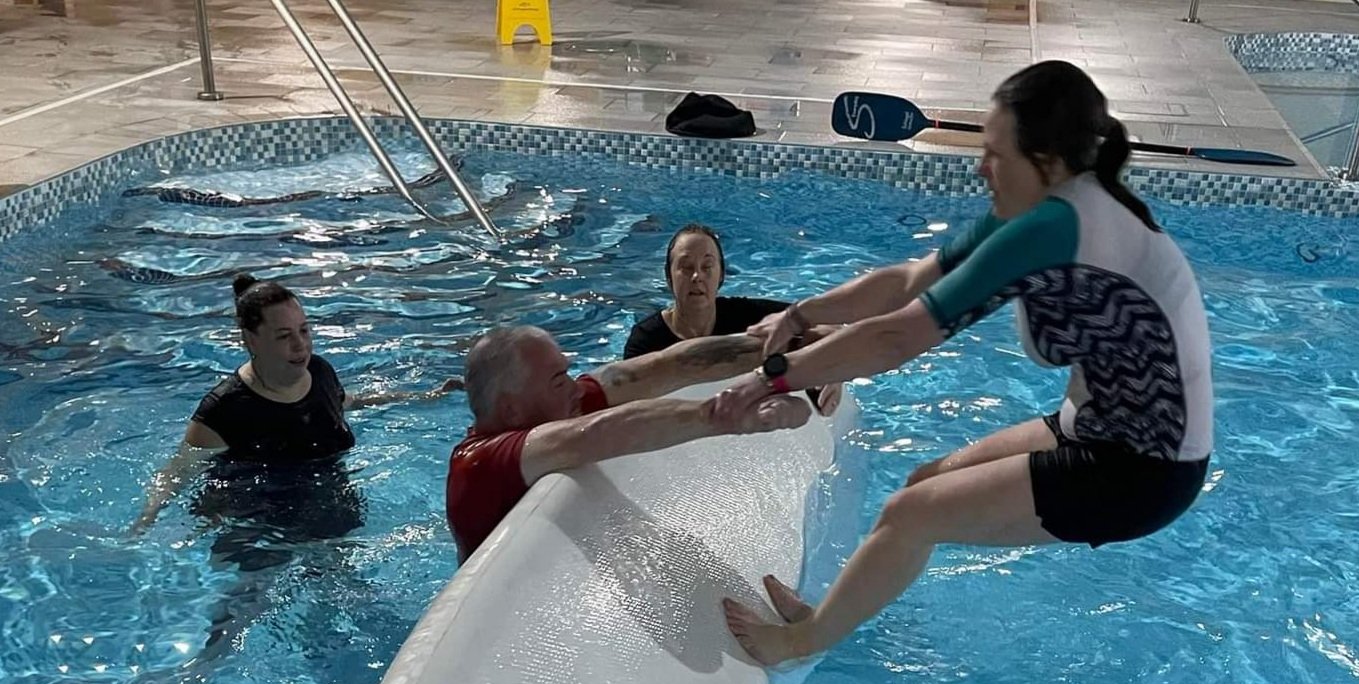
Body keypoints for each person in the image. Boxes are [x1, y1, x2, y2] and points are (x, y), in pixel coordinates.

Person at [714, 60, 1214, 667]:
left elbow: (897, 338)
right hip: (1100, 426)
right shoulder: (1045, 207)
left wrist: (773, 376)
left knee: (910, 515)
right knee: (923, 485)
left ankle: (798, 644)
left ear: (1048, 162)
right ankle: (825, 618)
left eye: (996, 154)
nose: (981, 167)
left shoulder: (1059, 227)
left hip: (1144, 470)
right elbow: (908, 281)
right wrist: (801, 312)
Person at [447, 326, 811, 564]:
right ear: (510, 408)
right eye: (559, 380)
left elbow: (669, 365)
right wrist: (732, 416)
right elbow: (596, 435)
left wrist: (796, 349)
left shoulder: (556, 407)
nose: (576, 389)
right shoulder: (480, 464)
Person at [132, 274, 457, 532]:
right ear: (250, 339)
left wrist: (421, 397)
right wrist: (145, 523)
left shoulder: (320, 372)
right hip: (260, 528)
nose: (300, 345)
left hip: (330, 511)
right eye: (284, 336)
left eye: (304, 331)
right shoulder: (224, 410)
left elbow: (343, 403)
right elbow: (178, 472)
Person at [624, 222, 841, 415]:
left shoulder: (746, 317)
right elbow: (625, 408)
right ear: (669, 276)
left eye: (707, 267)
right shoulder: (646, 340)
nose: (697, 276)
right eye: (686, 267)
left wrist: (832, 368)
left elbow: (824, 321)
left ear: (721, 275)